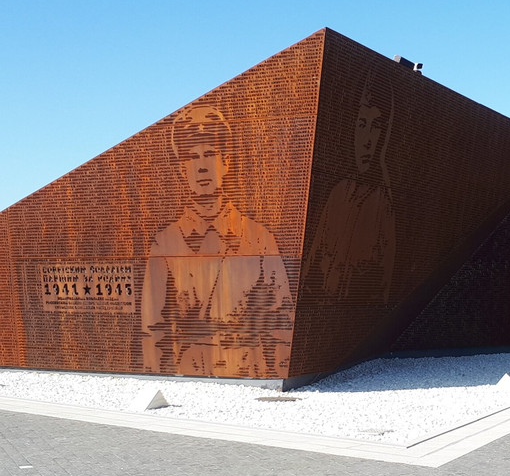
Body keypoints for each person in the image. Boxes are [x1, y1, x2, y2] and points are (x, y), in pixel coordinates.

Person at [141, 106, 293, 378]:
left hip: (249, 370)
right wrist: (155, 376)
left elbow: (283, 321)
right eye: (192, 156)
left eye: (210, 154)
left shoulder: (260, 238)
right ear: (182, 169)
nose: (202, 165)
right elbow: (153, 327)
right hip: (192, 373)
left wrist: (283, 375)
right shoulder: (164, 244)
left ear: (226, 162)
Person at [303, 67, 396, 301]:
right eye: (362, 124)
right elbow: (310, 266)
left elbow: (384, 286)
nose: (366, 141)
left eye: (375, 127)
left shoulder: (382, 205)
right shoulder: (339, 193)